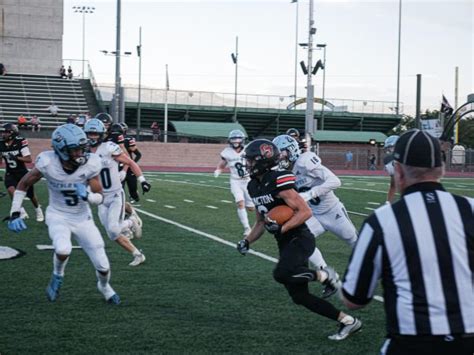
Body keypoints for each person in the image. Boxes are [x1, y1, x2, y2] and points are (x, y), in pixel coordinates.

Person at [341, 129, 474, 354]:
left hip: (412, 342)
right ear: (441, 169)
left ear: (399, 171)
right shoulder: (470, 209)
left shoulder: (381, 221)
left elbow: (354, 299)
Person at [236, 139, 362, 341]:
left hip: (300, 237)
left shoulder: (279, 178)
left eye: (251, 160)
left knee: (281, 273)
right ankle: (348, 322)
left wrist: (282, 227)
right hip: (284, 241)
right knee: (299, 297)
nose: (247, 164)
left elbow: (305, 211)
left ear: (263, 160)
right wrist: (248, 241)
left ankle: (324, 276)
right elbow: (260, 221)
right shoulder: (253, 186)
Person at [6, 124, 120, 304]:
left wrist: (88, 196)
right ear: (61, 149)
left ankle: (104, 286)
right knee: (63, 248)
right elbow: (24, 183)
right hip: (58, 215)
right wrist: (14, 212)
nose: (80, 154)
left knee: (103, 266)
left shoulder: (90, 163)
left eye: (82, 149)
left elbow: (100, 196)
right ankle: (57, 276)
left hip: (83, 218)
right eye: (75, 150)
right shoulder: (47, 162)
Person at [273, 134, 358, 296]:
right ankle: (329, 278)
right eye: (278, 154)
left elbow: (335, 181)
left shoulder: (304, 161)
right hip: (314, 214)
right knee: (304, 242)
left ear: (291, 150)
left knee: (355, 243)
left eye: (282, 153)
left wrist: (310, 194)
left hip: (333, 211)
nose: (280, 157)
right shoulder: (284, 171)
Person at [84, 118, 151, 266]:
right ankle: (138, 254)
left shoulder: (109, 147)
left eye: (95, 134)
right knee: (111, 233)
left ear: (101, 134)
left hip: (115, 195)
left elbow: (130, 161)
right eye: (90, 133)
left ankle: (130, 222)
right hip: (100, 197)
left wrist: (142, 180)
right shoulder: (84, 152)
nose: (92, 136)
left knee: (114, 229)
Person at [0, 123, 44, 222]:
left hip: (22, 172)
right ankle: (21, 212)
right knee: (11, 190)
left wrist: (16, 157)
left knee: (30, 194)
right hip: (10, 172)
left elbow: (28, 159)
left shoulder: (20, 142)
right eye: (2, 132)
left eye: (5, 132)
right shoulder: (1, 144)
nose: (3, 134)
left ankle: (38, 209)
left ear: (12, 133)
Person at [214, 130, 254, 236]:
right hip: (235, 181)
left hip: (248, 180)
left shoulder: (248, 150)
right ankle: (247, 228)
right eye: (233, 138)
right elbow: (222, 163)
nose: (236, 141)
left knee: (251, 208)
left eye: (238, 138)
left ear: (242, 140)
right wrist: (218, 169)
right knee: (240, 203)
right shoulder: (227, 152)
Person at [116, 122, 142, 204]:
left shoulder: (128, 139)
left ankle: (134, 195)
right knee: (120, 189)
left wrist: (132, 164)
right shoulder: (113, 139)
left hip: (129, 168)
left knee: (133, 192)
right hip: (119, 167)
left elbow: (138, 154)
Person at [383, 135, 399, 203]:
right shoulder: (389, 160)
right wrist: (388, 202)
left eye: (390, 147)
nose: (389, 151)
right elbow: (393, 184)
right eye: (388, 148)